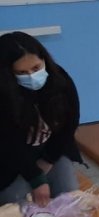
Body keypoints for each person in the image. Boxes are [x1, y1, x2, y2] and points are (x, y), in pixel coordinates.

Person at [0, 31, 82, 207]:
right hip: (12, 156)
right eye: (22, 72)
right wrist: (36, 178)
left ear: (44, 59)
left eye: (36, 68)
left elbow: (69, 125)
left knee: (68, 196)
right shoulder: (4, 94)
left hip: (51, 148)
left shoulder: (60, 80)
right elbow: (7, 143)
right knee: (18, 204)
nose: (31, 76)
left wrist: (49, 160)